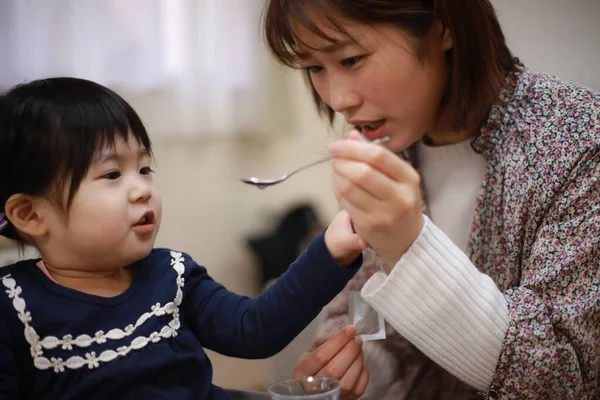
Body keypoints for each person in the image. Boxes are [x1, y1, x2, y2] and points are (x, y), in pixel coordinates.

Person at [262, 0, 600, 399]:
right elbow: (359, 316)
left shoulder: (578, 139)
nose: (338, 99)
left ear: (441, 28)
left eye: (351, 59)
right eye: (315, 68)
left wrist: (410, 246)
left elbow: (562, 379)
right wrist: (352, 367)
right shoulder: (388, 148)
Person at [0, 77, 369, 400]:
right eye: (112, 174)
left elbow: (254, 329)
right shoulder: (11, 309)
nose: (142, 189)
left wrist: (329, 249)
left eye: (145, 169)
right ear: (31, 214)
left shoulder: (171, 274)